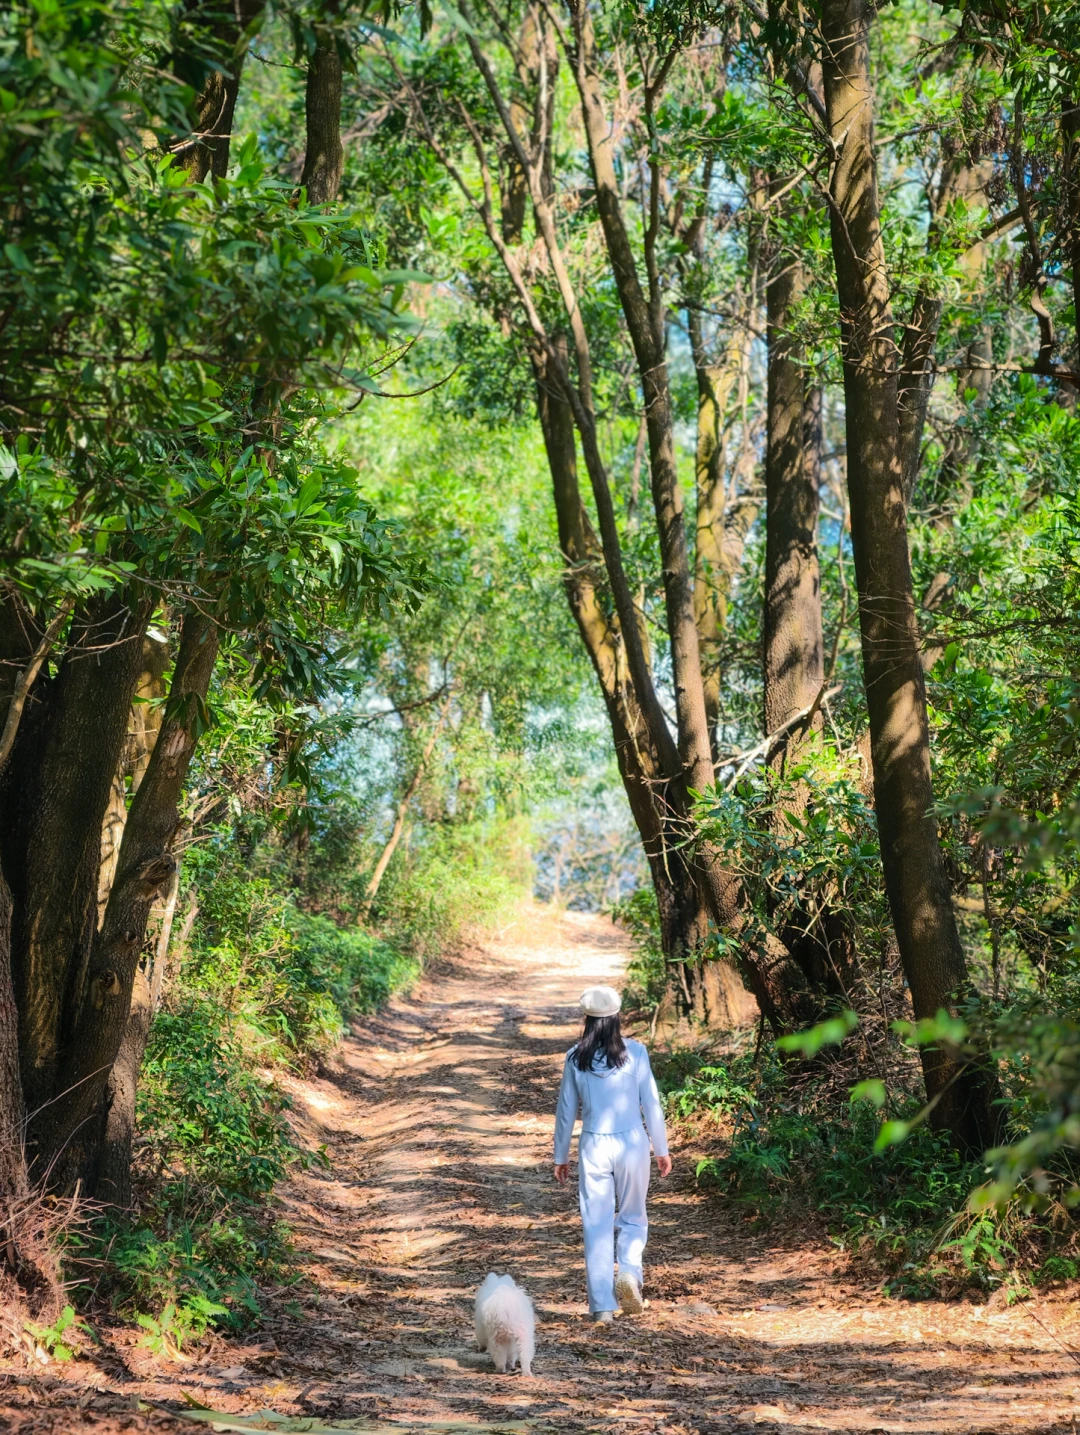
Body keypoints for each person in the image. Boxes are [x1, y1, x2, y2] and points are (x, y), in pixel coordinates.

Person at [553, 984, 672, 1325]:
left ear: (587, 1019)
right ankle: (630, 1274)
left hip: (593, 1144)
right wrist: (660, 1148)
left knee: (596, 1222)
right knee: (634, 1216)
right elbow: (651, 1102)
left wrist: (560, 1156)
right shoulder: (636, 1052)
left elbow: (565, 1110)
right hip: (633, 1142)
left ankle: (602, 1306)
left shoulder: (575, 1057)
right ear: (617, 1017)